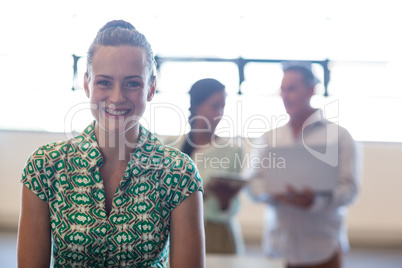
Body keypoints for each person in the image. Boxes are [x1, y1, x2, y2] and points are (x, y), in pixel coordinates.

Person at [17, 20, 205, 268]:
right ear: (87, 84)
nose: (117, 97)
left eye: (132, 83)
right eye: (104, 82)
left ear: (151, 87)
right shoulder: (45, 166)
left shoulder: (179, 172)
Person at [246, 65, 360, 268]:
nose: (285, 96)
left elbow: (349, 189)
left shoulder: (339, 136)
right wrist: (270, 194)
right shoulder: (270, 138)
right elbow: (252, 183)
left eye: (292, 89)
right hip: (279, 248)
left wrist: (313, 202)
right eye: (282, 89)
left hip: (323, 248)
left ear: (311, 90)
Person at [164, 78, 245, 254]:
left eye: (222, 107)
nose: (220, 113)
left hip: (219, 236)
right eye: (215, 106)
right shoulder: (171, 148)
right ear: (196, 107)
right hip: (177, 235)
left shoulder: (233, 151)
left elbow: (233, 206)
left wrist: (225, 202)